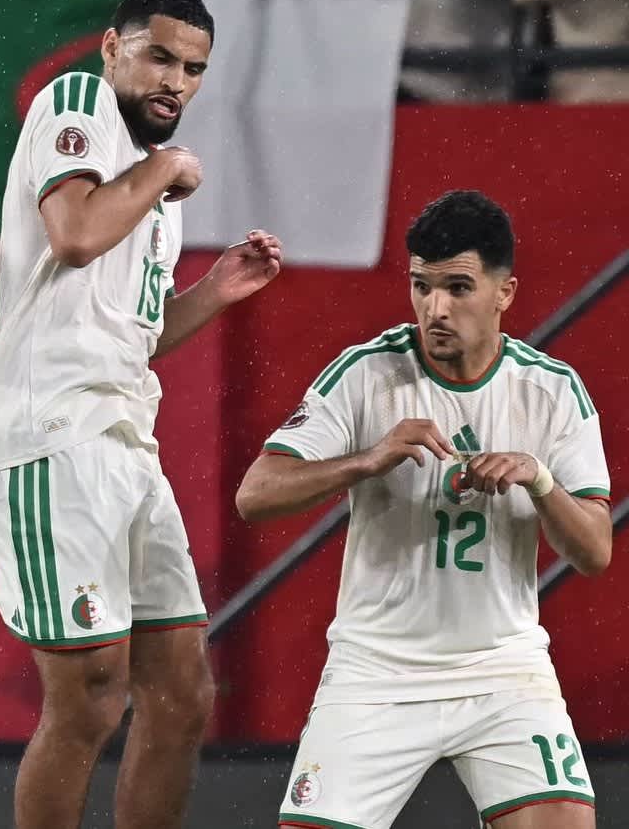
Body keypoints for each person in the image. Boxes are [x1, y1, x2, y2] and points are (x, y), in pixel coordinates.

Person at [0, 0, 284, 829]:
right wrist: (167, 169)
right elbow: (73, 233)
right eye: (159, 57)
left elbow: (129, 334)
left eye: (194, 69)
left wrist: (215, 291)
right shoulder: (81, 102)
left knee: (181, 693)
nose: (176, 81)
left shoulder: (147, 184)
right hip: (46, 434)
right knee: (90, 697)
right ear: (111, 48)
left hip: (122, 441)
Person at [236, 190, 610, 829]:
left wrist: (541, 481)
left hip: (501, 671)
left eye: (458, 288)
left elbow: (595, 552)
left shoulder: (551, 390)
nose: (435, 309)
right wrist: (367, 460)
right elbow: (256, 495)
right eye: (421, 286)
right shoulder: (365, 373)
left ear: (505, 293)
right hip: (376, 671)